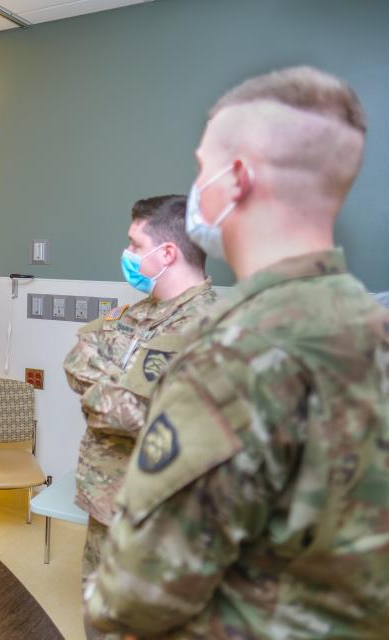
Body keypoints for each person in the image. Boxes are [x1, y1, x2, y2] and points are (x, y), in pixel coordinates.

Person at [85, 66, 389, 637]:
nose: (197, 189)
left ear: (239, 178)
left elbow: (135, 596)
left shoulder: (230, 357)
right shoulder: (372, 325)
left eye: (203, 169)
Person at [63, 194, 215, 638]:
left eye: (134, 244)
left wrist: (106, 393)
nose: (127, 254)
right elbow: (77, 358)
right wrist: (118, 386)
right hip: (104, 506)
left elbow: (141, 416)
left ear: (166, 252)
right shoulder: (138, 312)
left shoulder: (208, 327)